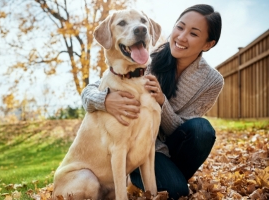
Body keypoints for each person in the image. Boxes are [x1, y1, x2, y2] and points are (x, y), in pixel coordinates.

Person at [81, 4, 223, 200]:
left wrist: (161, 102)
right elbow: (90, 90)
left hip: (176, 143)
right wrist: (105, 99)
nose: (181, 37)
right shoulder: (144, 59)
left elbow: (186, 129)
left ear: (207, 44)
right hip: (144, 150)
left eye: (193, 33)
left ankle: (173, 176)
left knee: (202, 130)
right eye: (180, 27)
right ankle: (168, 179)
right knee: (176, 192)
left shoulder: (212, 81)